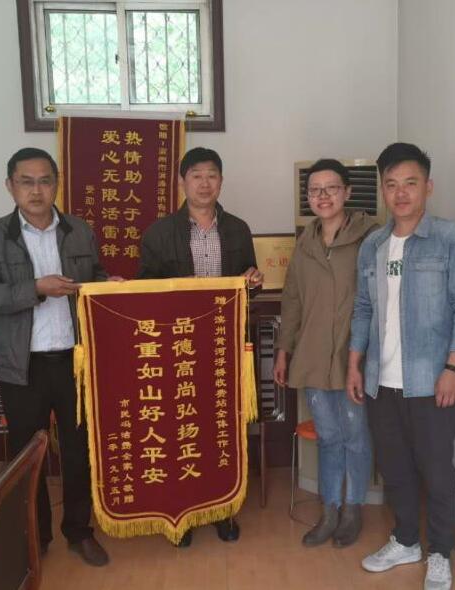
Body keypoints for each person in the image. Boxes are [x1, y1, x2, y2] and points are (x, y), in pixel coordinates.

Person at [346, 143, 455, 590]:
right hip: (381, 381)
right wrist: (355, 364)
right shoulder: (373, 245)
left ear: (428, 186)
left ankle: (440, 552)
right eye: (391, 185)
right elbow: (363, 309)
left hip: (431, 380)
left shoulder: (454, 240)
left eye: (410, 183)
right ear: (383, 190)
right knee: (396, 468)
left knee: (437, 471)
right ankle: (406, 540)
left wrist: (454, 368)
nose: (401, 193)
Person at [0, 147, 114, 567]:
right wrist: (35, 288)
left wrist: (107, 285)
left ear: (57, 184)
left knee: (79, 450)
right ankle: (36, 535)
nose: (36, 190)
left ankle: (79, 531)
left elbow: (94, 278)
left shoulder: (79, 231)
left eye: (45, 181)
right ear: (10, 186)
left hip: (74, 360)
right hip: (22, 364)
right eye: (26, 182)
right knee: (27, 456)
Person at [137, 146, 263, 546]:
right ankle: (185, 514)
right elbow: (145, 292)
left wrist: (253, 281)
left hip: (225, 347)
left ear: (221, 181)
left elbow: (247, 287)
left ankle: (223, 509)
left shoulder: (238, 229)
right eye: (196, 175)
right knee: (181, 430)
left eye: (212, 175)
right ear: (182, 182)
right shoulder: (159, 233)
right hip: (178, 350)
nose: (204, 183)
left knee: (223, 428)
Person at [273, 158, 376, 549]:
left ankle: (353, 510)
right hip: (314, 356)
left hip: (354, 356)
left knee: (356, 436)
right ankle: (330, 510)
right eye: (315, 190)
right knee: (329, 437)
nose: (323, 196)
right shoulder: (305, 243)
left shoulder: (370, 238)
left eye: (331, 188)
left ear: (347, 192)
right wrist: (284, 350)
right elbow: (292, 301)